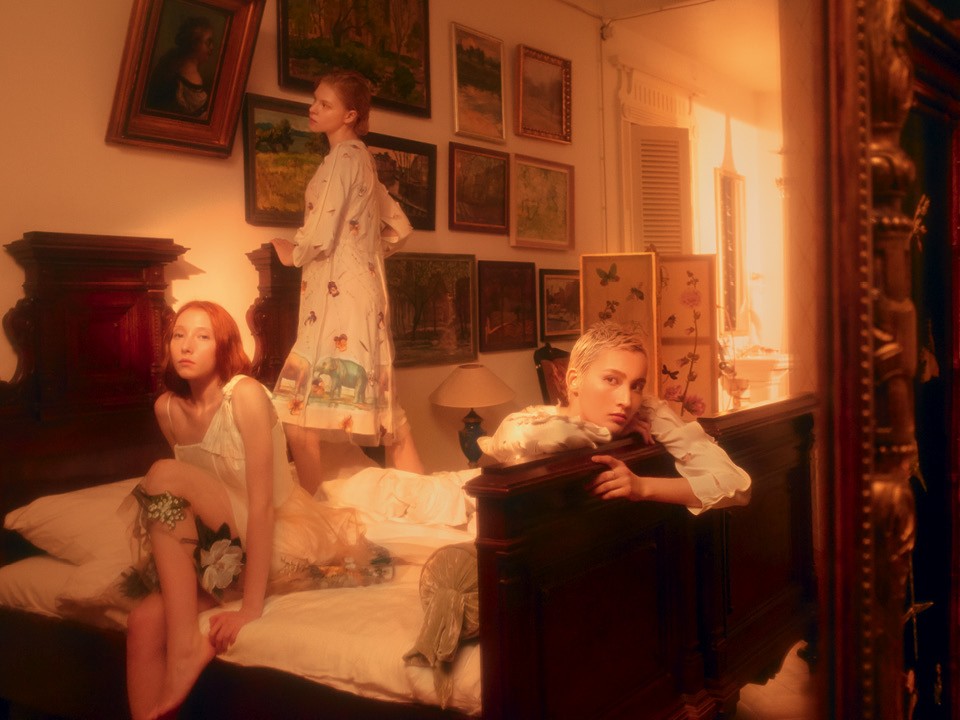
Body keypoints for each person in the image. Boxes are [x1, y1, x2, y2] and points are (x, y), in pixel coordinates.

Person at [124, 301, 391, 720]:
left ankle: (185, 648)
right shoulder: (167, 410)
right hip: (221, 547)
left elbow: (262, 505)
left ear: (223, 346)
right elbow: (184, 507)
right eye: (178, 335)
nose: (186, 346)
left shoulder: (244, 395)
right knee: (142, 621)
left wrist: (250, 608)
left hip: (275, 535)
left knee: (162, 473)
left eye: (202, 336)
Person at [270, 69, 423, 495]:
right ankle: (427, 504)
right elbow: (401, 228)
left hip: (338, 300)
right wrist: (360, 250)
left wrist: (293, 253)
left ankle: (315, 515)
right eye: (315, 100)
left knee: (295, 413)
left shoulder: (342, 158)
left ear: (350, 115)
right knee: (391, 419)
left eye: (325, 104)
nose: (313, 109)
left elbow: (321, 229)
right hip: (361, 293)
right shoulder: (364, 160)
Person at [478, 321, 751, 514]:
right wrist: (605, 434)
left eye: (637, 385)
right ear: (573, 380)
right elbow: (508, 439)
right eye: (611, 380)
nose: (626, 400)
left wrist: (642, 487)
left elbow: (736, 486)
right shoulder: (530, 423)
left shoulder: (646, 411)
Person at [145, 16, 216, 118]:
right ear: (194, 44)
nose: (212, 47)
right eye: (208, 42)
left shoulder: (173, 59)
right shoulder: (190, 76)